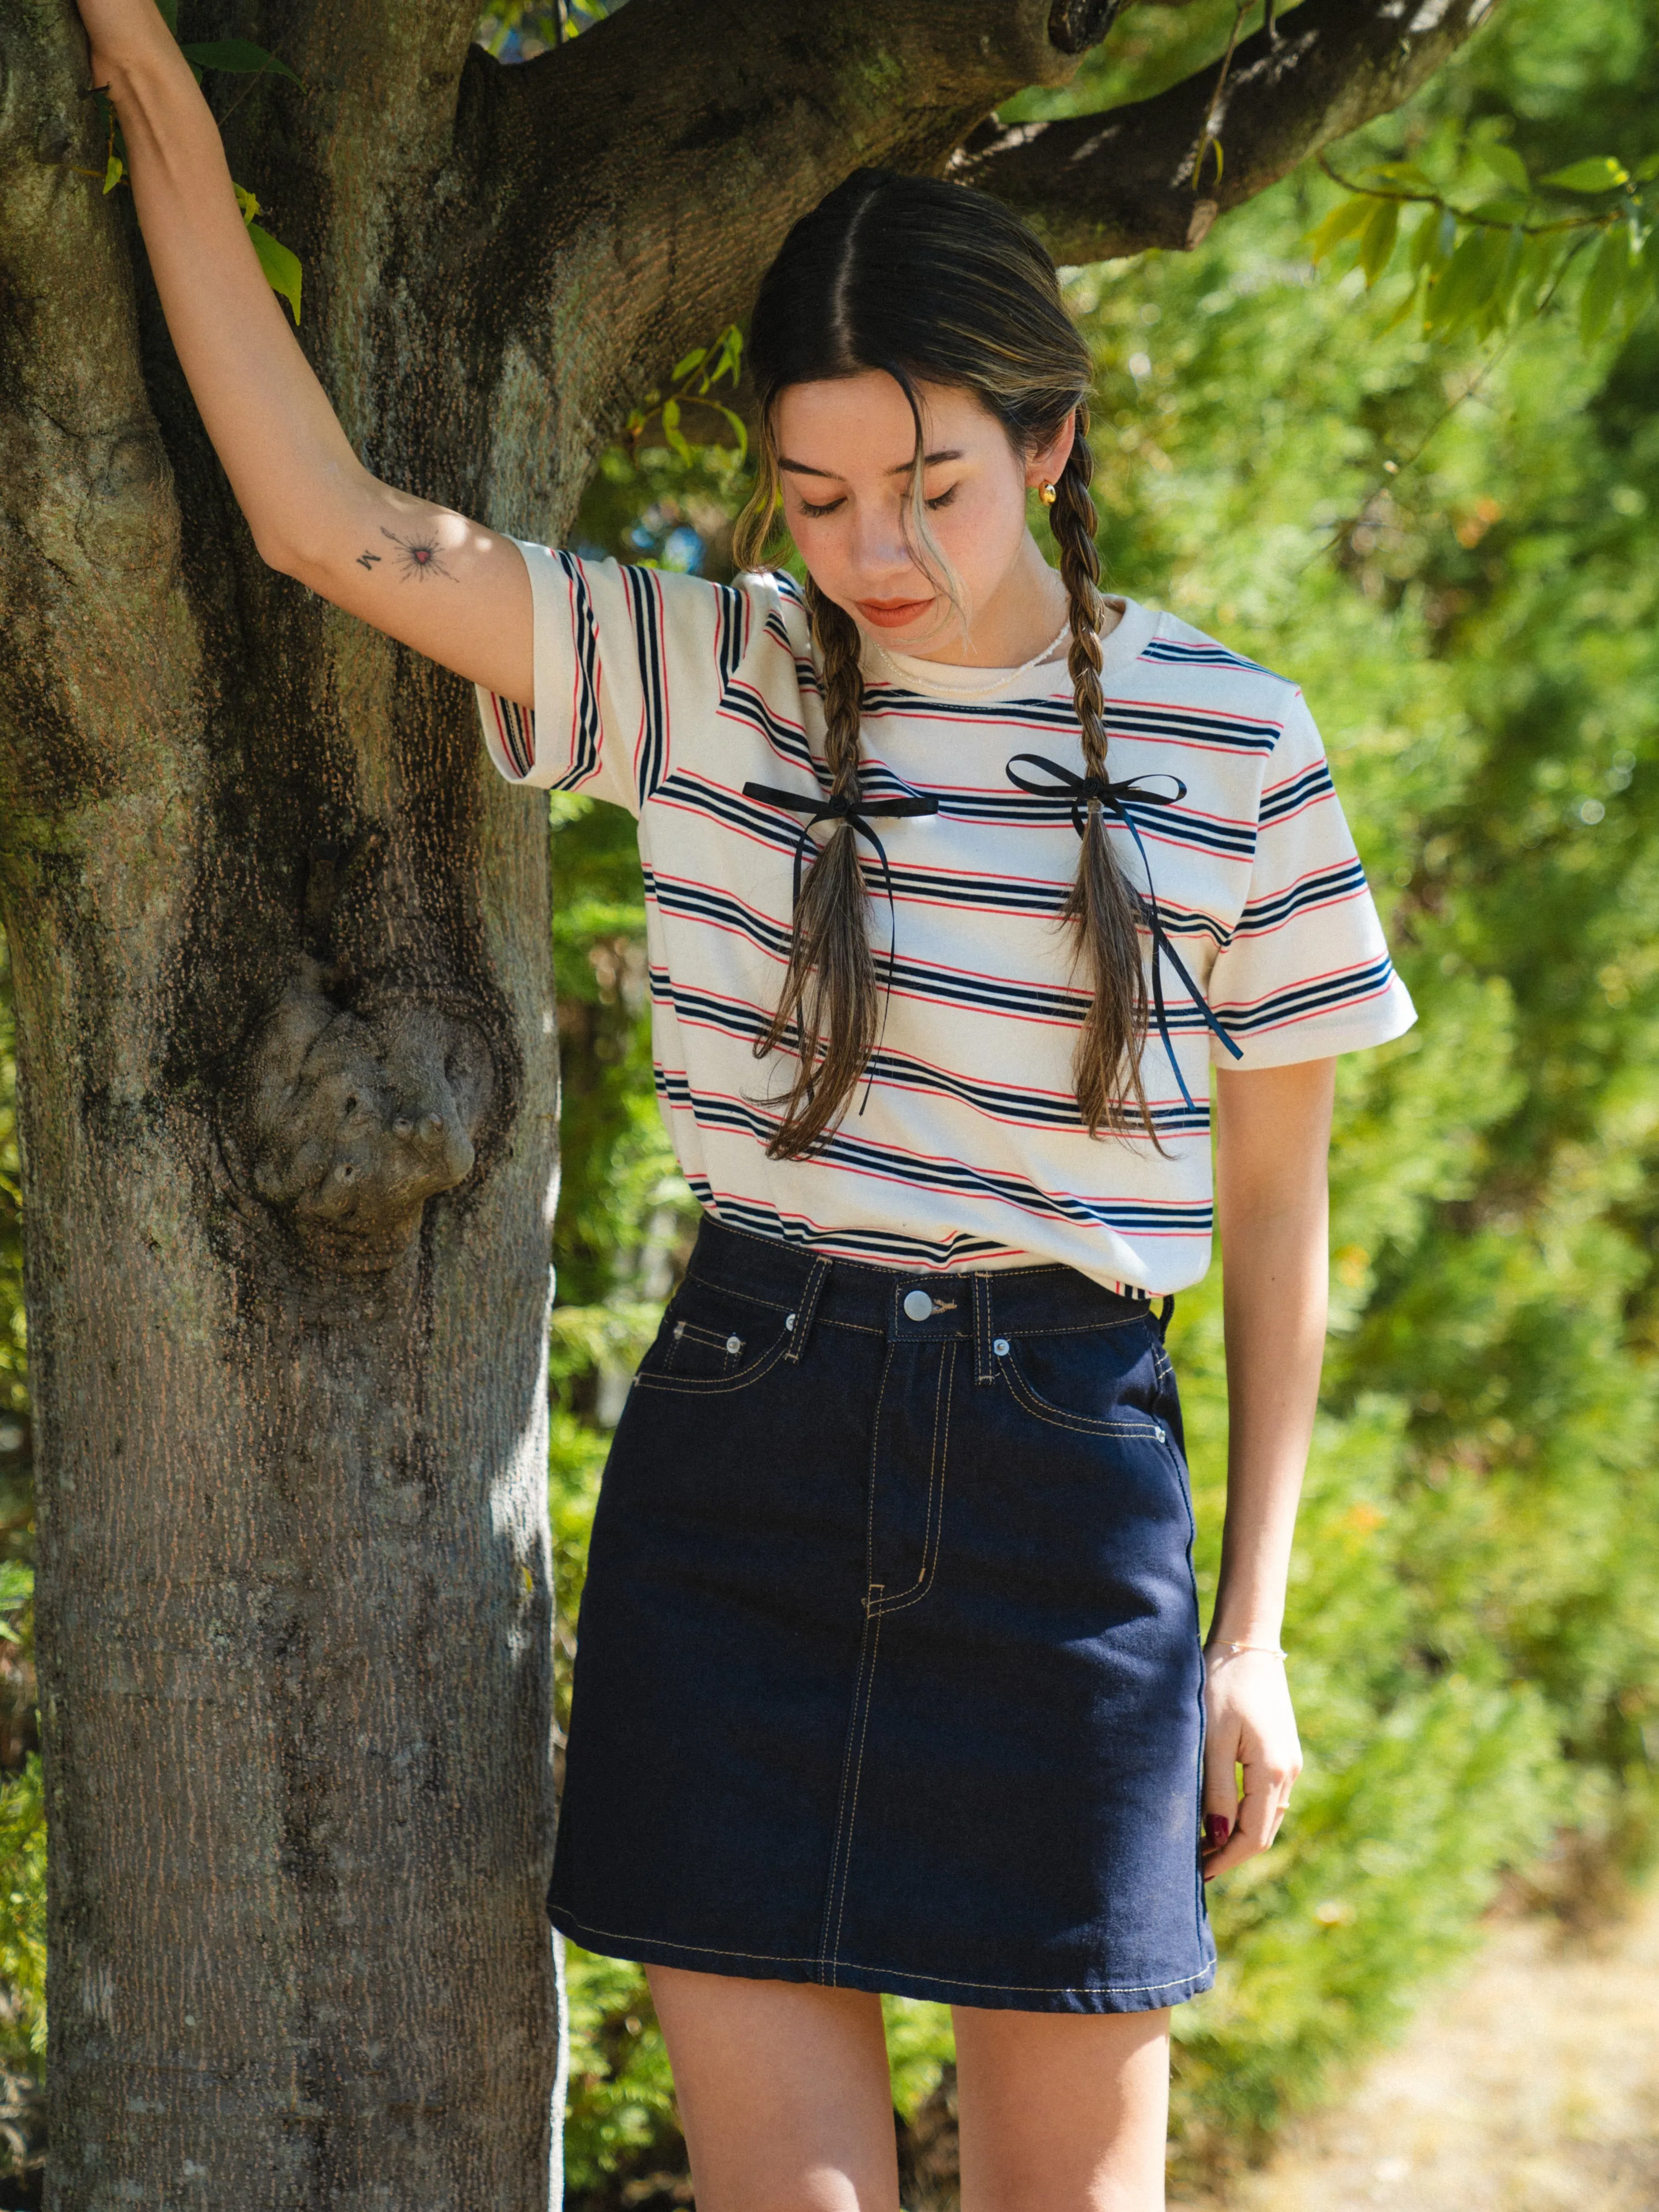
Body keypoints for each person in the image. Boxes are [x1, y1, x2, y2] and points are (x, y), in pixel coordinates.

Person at [80, 4, 1416, 2203]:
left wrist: (1252, 1639)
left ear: (1050, 444)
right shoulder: (710, 680)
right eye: (813, 497)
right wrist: (153, 88)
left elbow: (1278, 1224)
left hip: (1068, 1497)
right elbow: (330, 526)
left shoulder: (1229, 745)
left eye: (931, 486)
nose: (872, 548)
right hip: (746, 1459)